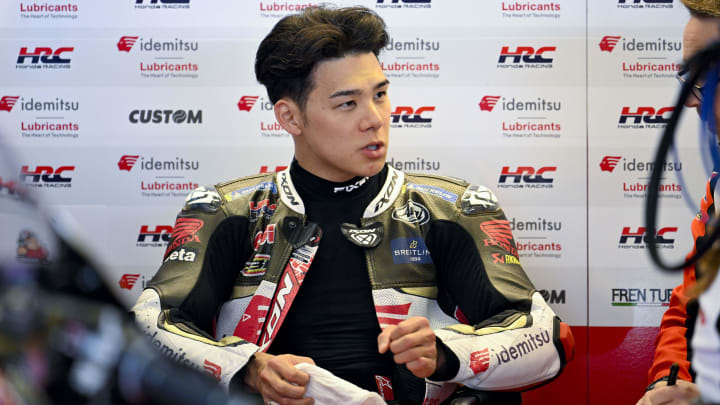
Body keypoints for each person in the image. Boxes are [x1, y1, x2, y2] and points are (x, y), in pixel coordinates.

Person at [130, 6, 574, 404]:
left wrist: (447, 354)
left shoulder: (454, 208)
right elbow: (149, 326)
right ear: (290, 117)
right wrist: (248, 368)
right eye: (347, 103)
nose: (375, 118)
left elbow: (547, 340)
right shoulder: (226, 211)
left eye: (380, 94)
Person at [637, 1, 720, 404]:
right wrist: (667, 383)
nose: (690, 100)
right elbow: (690, 301)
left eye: (704, 77)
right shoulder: (717, 190)